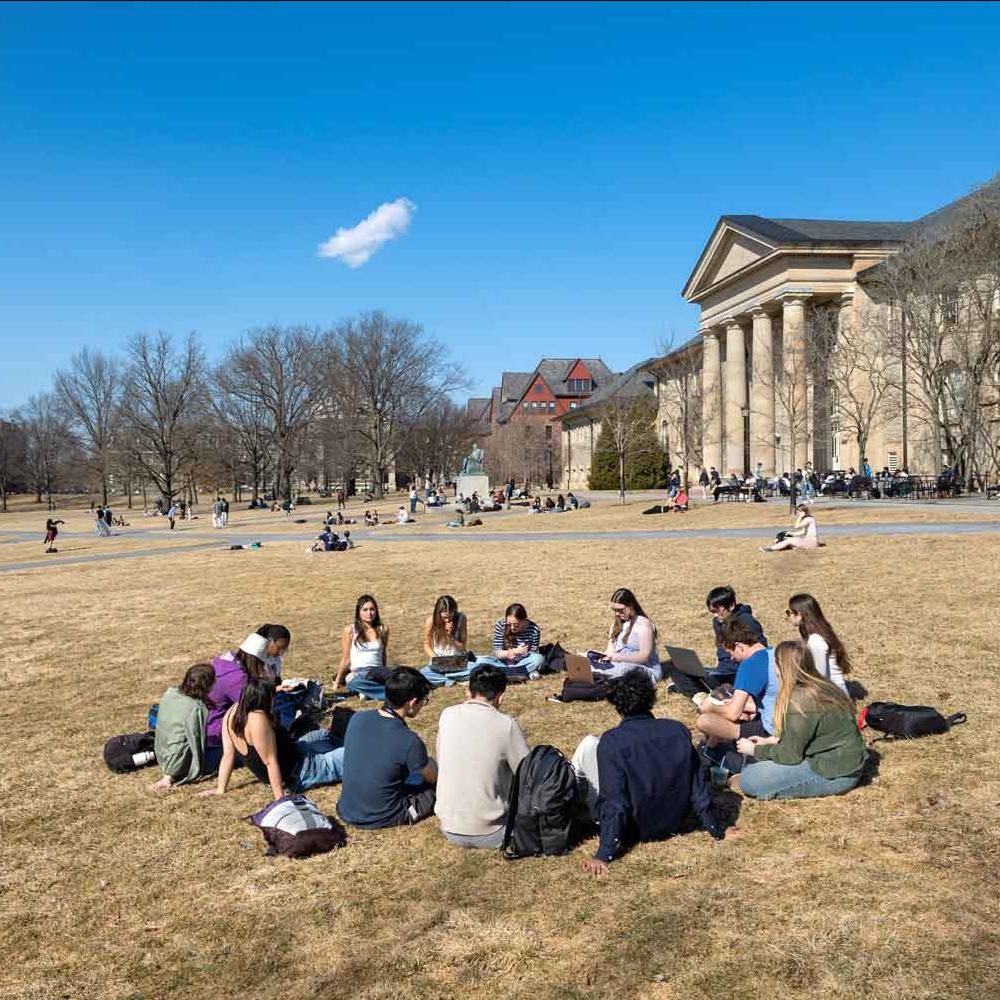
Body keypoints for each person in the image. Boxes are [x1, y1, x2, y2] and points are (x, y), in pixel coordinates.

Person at [572, 670, 729, 874]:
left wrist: (604, 854)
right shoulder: (677, 730)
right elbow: (697, 786)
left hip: (634, 829)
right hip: (674, 821)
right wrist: (716, 829)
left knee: (588, 745)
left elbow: (615, 803)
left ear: (617, 706)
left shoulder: (612, 742)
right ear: (651, 699)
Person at [736, 641, 866, 800]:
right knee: (758, 767)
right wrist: (771, 741)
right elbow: (808, 734)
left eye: (776, 663)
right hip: (843, 762)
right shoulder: (820, 685)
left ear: (783, 668)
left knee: (750, 779)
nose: (774, 670)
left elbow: (791, 755)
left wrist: (755, 750)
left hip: (836, 772)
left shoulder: (801, 700)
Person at [435, 663, 530, 848]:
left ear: (468, 691)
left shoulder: (446, 715)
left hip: (449, 827)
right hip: (493, 831)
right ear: (500, 697)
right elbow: (526, 773)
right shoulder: (506, 724)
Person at [202, 679, 344, 800]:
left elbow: (228, 755)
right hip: (303, 771)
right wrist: (280, 800)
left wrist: (221, 788)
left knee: (324, 735)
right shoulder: (258, 720)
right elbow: (270, 762)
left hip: (298, 750)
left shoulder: (232, 713)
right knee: (353, 755)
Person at [337, 668, 437, 828]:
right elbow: (432, 777)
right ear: (411, 702)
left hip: (347, 809)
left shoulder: (357, 718)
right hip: (384, 815)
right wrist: (431, 763)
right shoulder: (409, 740)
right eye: (423, 701)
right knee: (434, 792)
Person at [695, 618, 778, 765]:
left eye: (730, 654)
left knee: (705, 721)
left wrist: (709, 707)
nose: (732, 659)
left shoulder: (749, 665)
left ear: (739, 647)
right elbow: (774, 699)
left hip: (770, 729)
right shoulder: (776, 653)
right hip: (789, 722)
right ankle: (708, 751)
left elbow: (733, 713)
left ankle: (719, 756)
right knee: (741, 712)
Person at [666, 585, 767, 699]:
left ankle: (696, 690)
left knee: (707, 679)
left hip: (737, 673)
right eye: (711, 611)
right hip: (722, 671)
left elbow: (761, 651)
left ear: (731, 606)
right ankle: (697, 688)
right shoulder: (718, 622)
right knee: (676, 666)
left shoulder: (747, 621)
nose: (715, 615)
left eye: (717, 611)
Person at [205, 633, 272, 766]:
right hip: (216, 732)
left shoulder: (225, 660)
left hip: (205, 724)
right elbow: (253, 708)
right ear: (256, 661)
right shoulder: (238, 679)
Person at [150, 662, 217, 791]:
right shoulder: (196, 708)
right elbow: (197, 742)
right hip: (178, 764)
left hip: (162, 755)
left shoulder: (170, 693)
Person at [589, 588, 661, 683]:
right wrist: (603, 658)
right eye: (614, 610)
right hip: (619, 663)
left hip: (644, 667)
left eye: (620, 610)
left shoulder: (643, 624)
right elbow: (610, 649)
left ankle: (600, 676)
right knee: (587, 663)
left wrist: (617, 658)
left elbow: (644, 657)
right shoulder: (617, 624)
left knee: (623, 669)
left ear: (631, 606)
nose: (617, 613)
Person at [784, 594, 850, 695]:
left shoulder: (816, 641)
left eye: (789, 612)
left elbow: (819, 677)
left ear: (800, 614)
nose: (788, 616)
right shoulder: (818, 632)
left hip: (832, 700)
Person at [335, 594, 391, 700]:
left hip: (377, 671)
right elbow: (346, 658)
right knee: (351, 682)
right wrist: (337, 681)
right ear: (358, 612)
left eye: (372, 609)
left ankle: (368, 691)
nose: (369, 613)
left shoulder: (383, 629)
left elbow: (383, 654)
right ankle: (388, 694)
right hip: (358, 673)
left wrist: (385, 671)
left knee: (396, 676)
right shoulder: (350, 630)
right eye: (365, 610)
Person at [477, 603, 544, 680]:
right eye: (509, 624)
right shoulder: (500, 625)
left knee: (539, 658)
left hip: (523, 662)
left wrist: (522, 653)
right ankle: (521, 674)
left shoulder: (534, 629)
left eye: (516, 625)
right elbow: (497, 653)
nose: (512, 627)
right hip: (503, 662)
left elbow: (533, 653)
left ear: (524, 620)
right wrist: (513, 652)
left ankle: (503, 674)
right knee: (479, 660)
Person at [421, 595, 476, 687]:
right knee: (422, 674)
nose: (448, 619)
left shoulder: (461, 618)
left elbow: (462, 647)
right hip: (439, 660)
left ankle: (445, 678)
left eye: (451, 614)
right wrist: (436, 658)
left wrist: (450, 637)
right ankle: (453, 679)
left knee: (476, 667)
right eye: (444, 616)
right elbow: (427, 645)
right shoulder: (430, 621)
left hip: (457, 659)